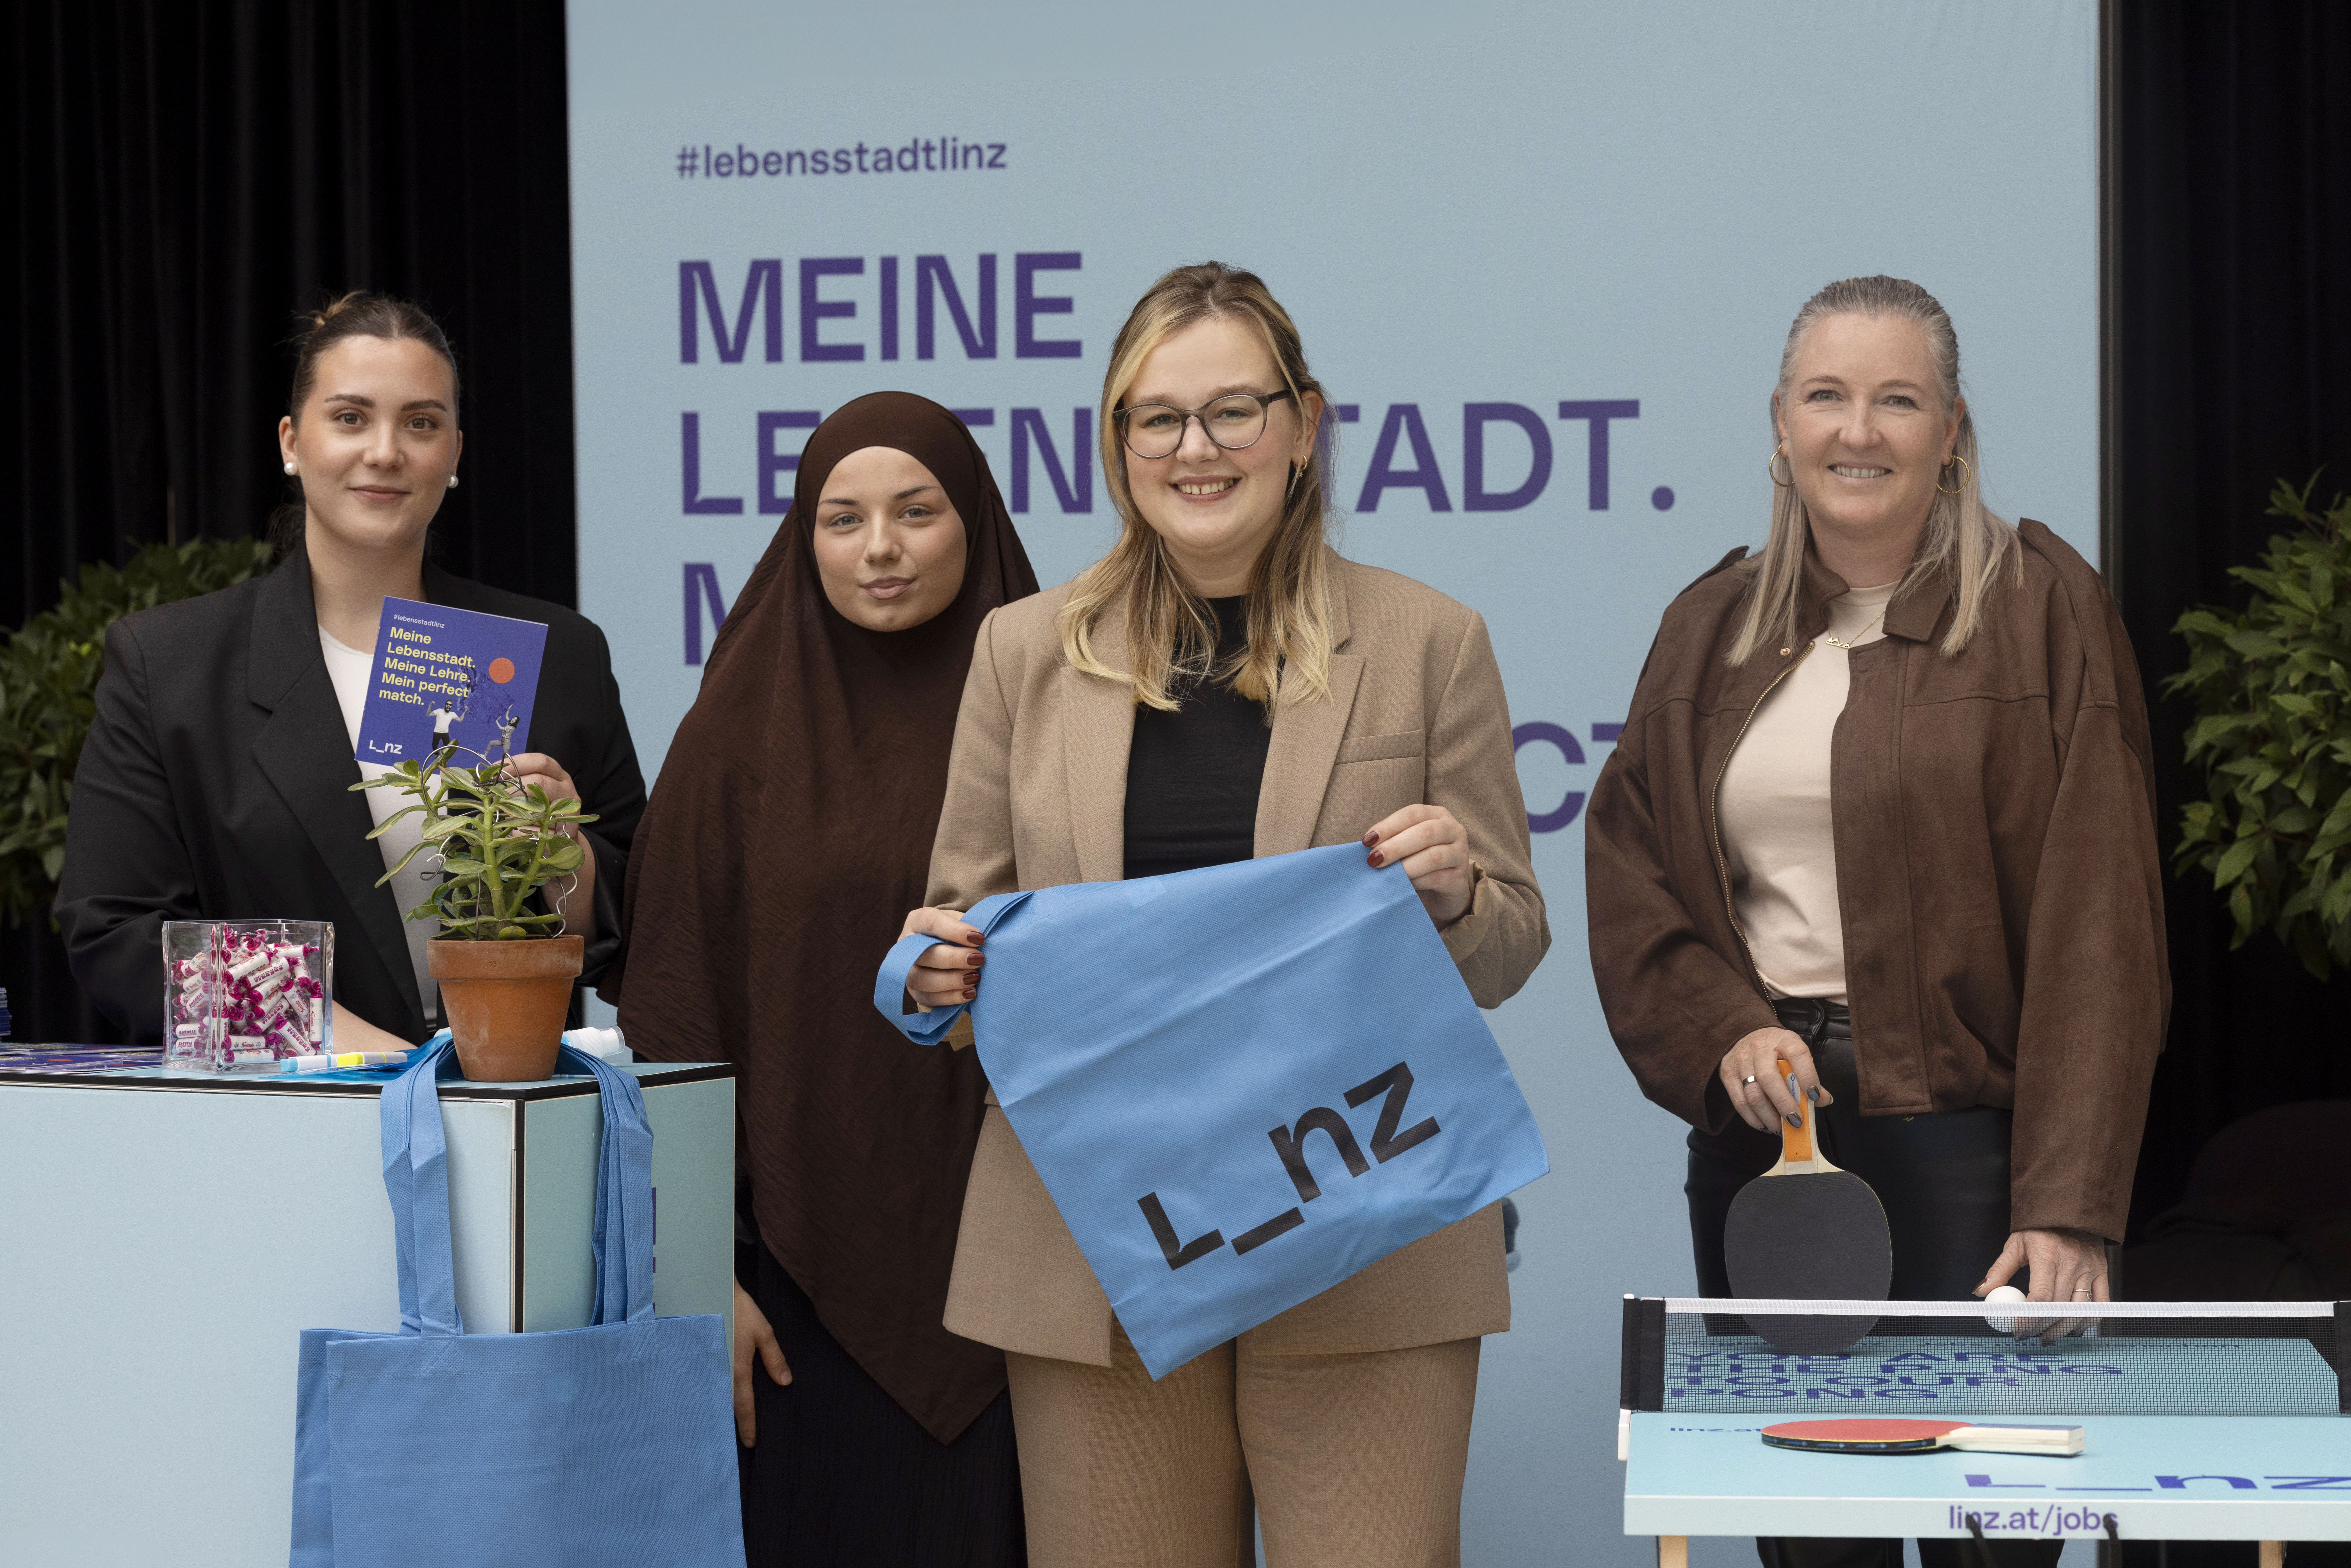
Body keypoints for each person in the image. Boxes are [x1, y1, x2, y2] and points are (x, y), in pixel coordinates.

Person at [895, 263, 1548, 1568]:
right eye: (1158, 417)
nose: (1196, 449)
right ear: (1117, 444)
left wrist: (1456, 893)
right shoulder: (1023, 651)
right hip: (1097, 1241)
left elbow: (1507, 945)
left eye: (1233, 411)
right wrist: (934, 974)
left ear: (1303, 426)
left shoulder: (1430, 641)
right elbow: (959, 933)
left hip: (1363, 1229)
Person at [1584, 275, 2168, 1568]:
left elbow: (2101, 926)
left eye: (1896, 400)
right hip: (1772, 1151)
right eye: (1826, 396)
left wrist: (2069, 1201)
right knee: (1813, 1538)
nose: (1858, 431)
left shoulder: (2042, 607)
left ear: (1949, 430)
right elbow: (1631, 869)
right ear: (1779, 423)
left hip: (1973, 1156)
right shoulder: (1707, 627)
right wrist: (1722, 1031)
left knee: (1987, 1536)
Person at [607, 393, 1039, 1567]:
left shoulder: (1058, 711)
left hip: (1030, 1264)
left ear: (975, 522)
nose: (879, 547)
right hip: (790, 1290)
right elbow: (676, 1012)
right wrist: (702, 1273)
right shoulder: (735, 734)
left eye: (916, 511)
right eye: (841, 518)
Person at [57, 292, 645, 1050]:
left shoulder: (558, 652)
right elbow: (116, 932)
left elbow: (644, 916)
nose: (385, 451)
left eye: (421, 423)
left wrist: (566, 858)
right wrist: (356, 1050)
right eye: (350, 418)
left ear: (455, 454)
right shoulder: (169, 665)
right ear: (291, 441)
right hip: (289, 1108)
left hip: (512, 1100)